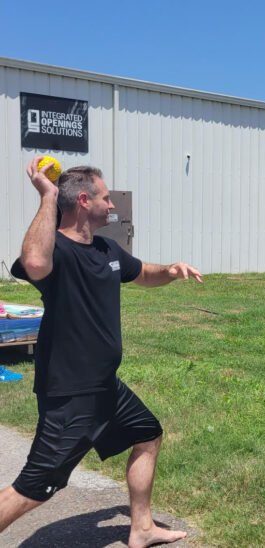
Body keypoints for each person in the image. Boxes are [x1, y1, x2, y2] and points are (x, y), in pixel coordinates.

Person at [0, 158, 203, 548]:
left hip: (105, 388)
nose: (112, 205)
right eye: (106, 198)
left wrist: (172, 270)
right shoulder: (55, 250)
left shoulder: (106, 248)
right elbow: (35, 263)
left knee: (147, 434)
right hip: (72, 393)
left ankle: (141, 527)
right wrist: (47, 195)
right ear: (82, 201)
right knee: (34, 488)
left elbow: (143, 273)